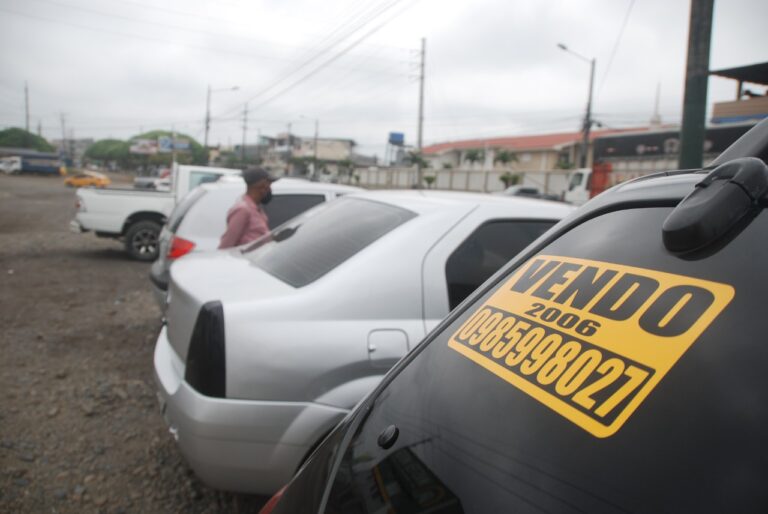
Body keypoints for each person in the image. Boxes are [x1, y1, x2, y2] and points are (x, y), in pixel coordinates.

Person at [218, 167, 278, 249]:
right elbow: (226, 245)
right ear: (262, 186)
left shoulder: (256, 209)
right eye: (269, 186)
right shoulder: (243, 210)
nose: (270, 190)